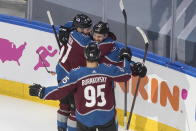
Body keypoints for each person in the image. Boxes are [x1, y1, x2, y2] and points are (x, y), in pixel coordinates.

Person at [29, 43, 147, 131]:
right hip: (106, 117)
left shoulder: (76, 74)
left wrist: (42, 91)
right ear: (99, 55)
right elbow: (125, 74)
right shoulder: (107, 69)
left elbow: (60, 91)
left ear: (85, 56)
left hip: (85, 119)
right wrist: (126, 58)